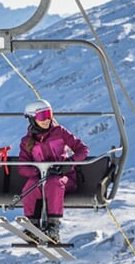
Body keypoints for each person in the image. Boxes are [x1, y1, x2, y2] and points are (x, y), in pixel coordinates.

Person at [17, 99, 89, 243]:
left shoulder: (60, 132)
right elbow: (22, 167)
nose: (47, 120)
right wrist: (36, 172)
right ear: (32, 118)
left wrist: (67, 164)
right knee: (31, 185)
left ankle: (53, 227)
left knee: (53, 183)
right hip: (41, 178)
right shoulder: (27, 141)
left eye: (49, 114)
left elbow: (83, 149)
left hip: (64, 179)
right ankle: (33, 225)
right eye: (42, 116)